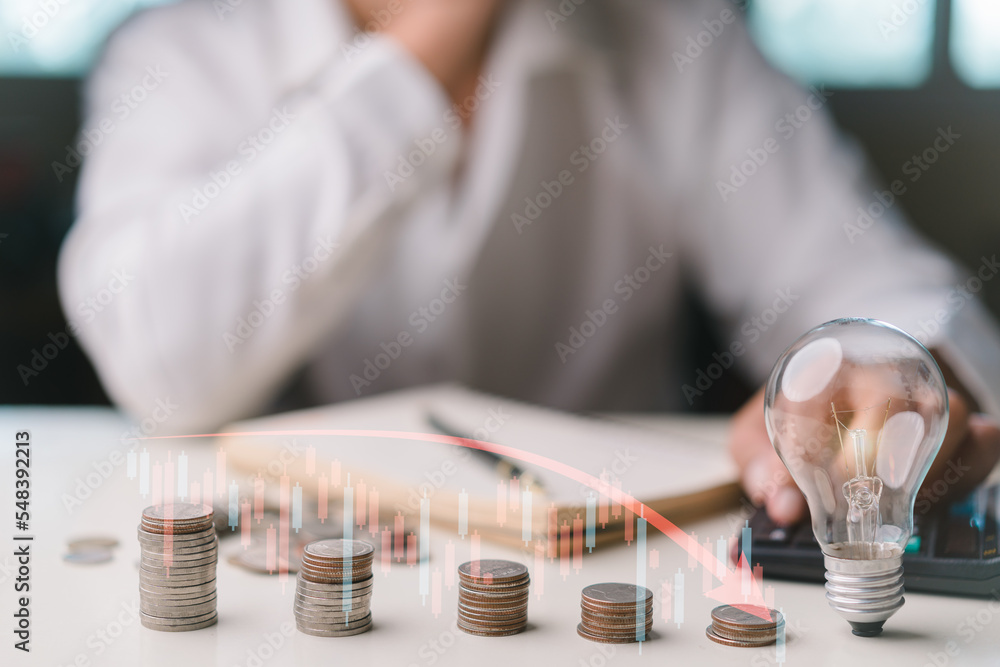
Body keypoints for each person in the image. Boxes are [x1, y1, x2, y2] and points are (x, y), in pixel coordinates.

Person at [59, 0, 1000, 526]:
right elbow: (162, 367)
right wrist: (434, 39)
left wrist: (897, 380)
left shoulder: (676, 37)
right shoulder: (177, 50)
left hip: (617, 587)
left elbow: (887, 295)